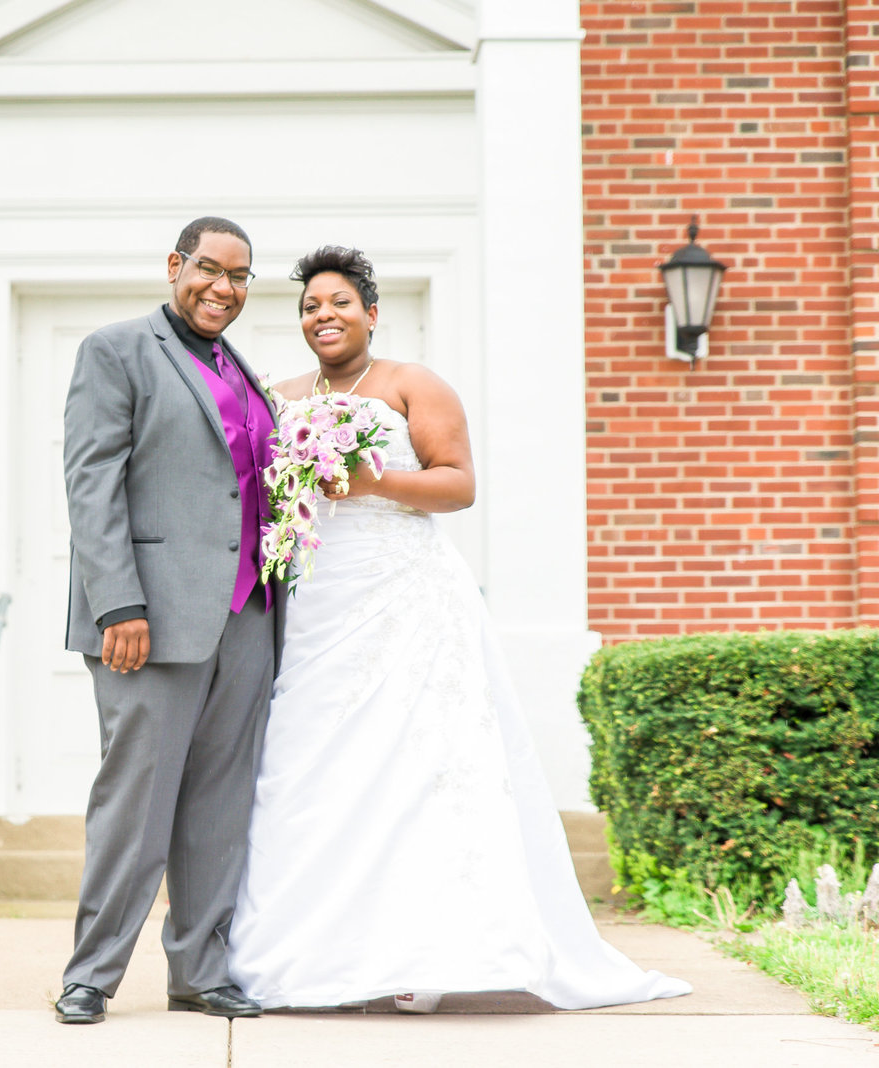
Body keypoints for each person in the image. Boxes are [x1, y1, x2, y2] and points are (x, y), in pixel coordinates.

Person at [226, 246, 691, 1013]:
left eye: (339, 302)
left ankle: (420, 954)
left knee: (413, 768)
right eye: (311, 306)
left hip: (405, 602)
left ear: (370, 313)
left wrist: (373, 480)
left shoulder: (414, 385)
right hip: (315, 608)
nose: (324, 316)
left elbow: (457, 484)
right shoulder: (278, 395)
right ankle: (307, 951)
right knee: (310, 768)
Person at [55, 217, 285, 1025]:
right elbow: (93, 484)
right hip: (147, 619)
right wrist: (120, 602)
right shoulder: (116, 351)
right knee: (137, 801)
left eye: (240, 277)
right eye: (209, 269)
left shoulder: (243, 371)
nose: (223, 288)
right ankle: (92, 974)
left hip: (247, 613)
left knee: (220, 802)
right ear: (175, 266)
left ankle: (200, 971)